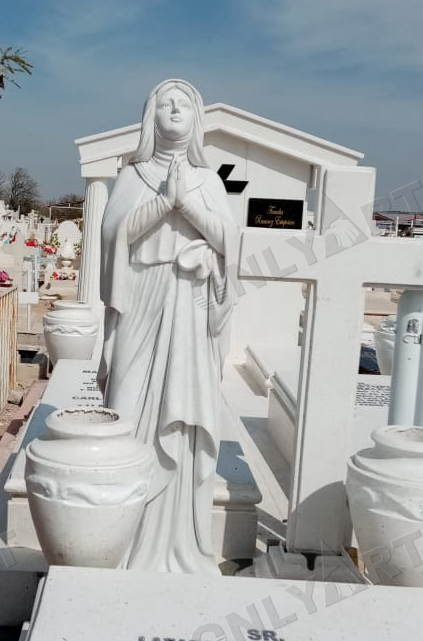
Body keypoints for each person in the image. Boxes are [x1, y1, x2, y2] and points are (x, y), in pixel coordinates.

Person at [99, 79, 238, 574]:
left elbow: (229, 241)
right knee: (130, 407)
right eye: (166, 103)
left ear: (196, 118)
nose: (175, 110)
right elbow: (114, 233)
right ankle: (122, 536)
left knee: (182, 416)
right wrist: (162, 202)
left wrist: (187, 205)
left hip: (191, 304)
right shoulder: (133, 174)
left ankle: (177, 537)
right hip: (142, 300)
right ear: (150, 116)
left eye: (185, 104)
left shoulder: (208, 180)